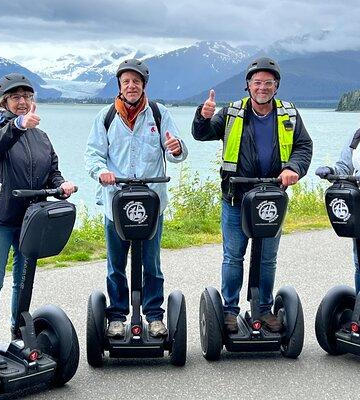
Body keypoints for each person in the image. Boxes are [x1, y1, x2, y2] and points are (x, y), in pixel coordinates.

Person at [191, 57, 312, 333]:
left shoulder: (289, 114)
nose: (262, 87)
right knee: (233, 256)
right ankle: (230, 311)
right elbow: (202, 134)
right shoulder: (231, 113)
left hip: (272, 198)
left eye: (268, 83)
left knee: (267, 257)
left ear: (276, 86)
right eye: (257, 82)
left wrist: (294, 168)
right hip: (236, 196)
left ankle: (263, 309)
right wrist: (203, 116)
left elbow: (303, 146)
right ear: (248, 85)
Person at [85, 58, 188, 338]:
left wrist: (176, 149)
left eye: (136, 82)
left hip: (151, 204)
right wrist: (102, 171)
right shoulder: (105, 117)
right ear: (119, 86)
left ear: (144, 85)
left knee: (152, 264)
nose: (131, 86)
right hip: (116, 203)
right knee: (116, 264)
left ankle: (154, 315)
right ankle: (117, 315)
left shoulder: (159, 113)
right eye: (126, 81)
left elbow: (174, 152)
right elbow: (93, 154)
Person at [0, 73, 75, 346]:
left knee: (22, 281)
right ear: (4, 101)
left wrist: (61, 184)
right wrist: (18, 125)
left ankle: (18, 336)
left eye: (27, 96)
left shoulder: (40, 136)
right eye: (16, 97)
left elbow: (51, 171)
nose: (22, 101)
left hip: (29, 219)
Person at [316, 129, 360, 293]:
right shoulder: (357, 135)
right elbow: (344, 167)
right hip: (357, 205)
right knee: (359, 262)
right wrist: (331, 171)